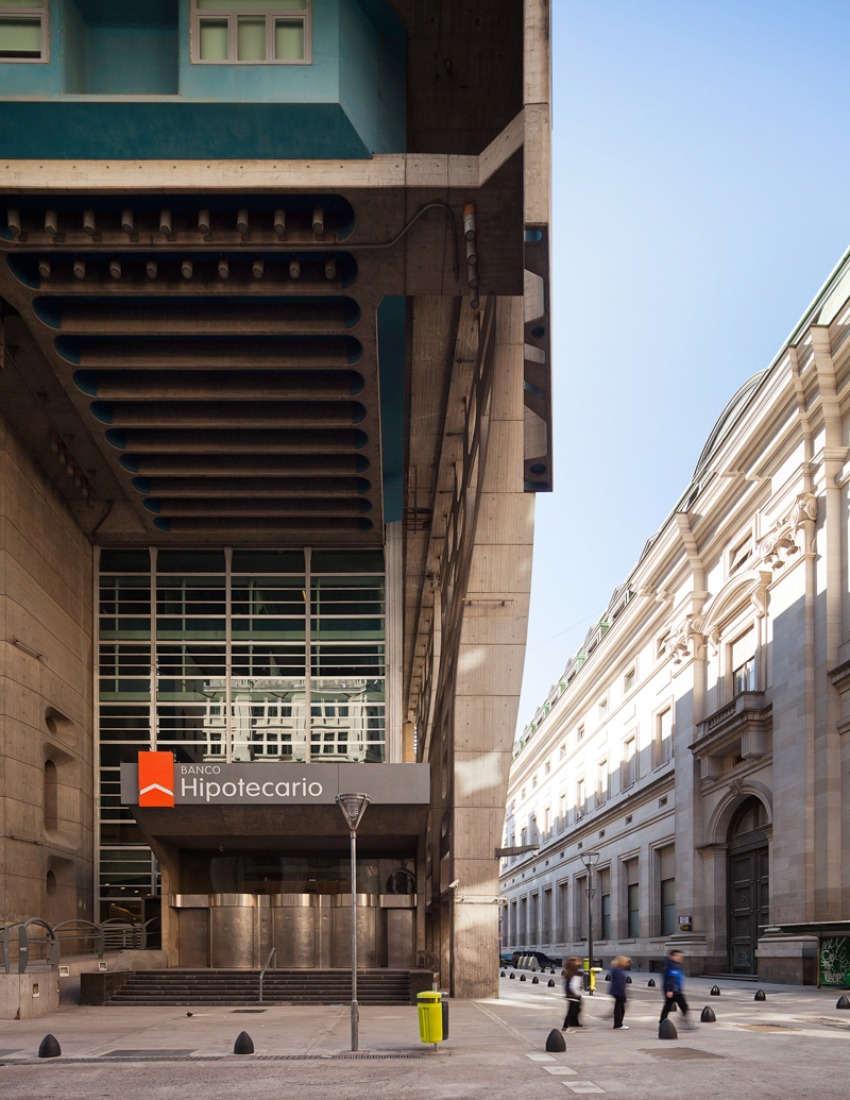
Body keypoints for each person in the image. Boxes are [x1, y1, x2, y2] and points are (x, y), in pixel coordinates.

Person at [659, 949, 693, 1028]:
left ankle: (662, 1022)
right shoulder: (671, 965)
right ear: (673, 956)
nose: (681, 958)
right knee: (684, 1006)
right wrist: (670, 990)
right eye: (679, 956)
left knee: (667, 1006)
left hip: (673, 989)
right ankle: (684, 1023)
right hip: (674, 990)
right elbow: (671, 978)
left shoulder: (672, 964)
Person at [562, 956, 584, 1031]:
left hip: (570, 995)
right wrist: (577, 994)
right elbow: (574, 986)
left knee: (572, 1010)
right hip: (574, 996)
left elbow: (565, 985)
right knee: (571, 1012)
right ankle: (565, 1026)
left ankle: (571, 1023)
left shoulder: (568, 973)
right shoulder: (576, 974)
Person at [609, 955, 630, 1029]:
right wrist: (622, 992)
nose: (628, 964)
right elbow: (619, 982)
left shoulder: (616, 970)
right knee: (620, 1009)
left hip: (616, 991)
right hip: (618, 991)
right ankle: (618, 1024)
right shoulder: (618, 971)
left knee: (619, 1008)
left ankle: (618, 1023)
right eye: (627, 962)